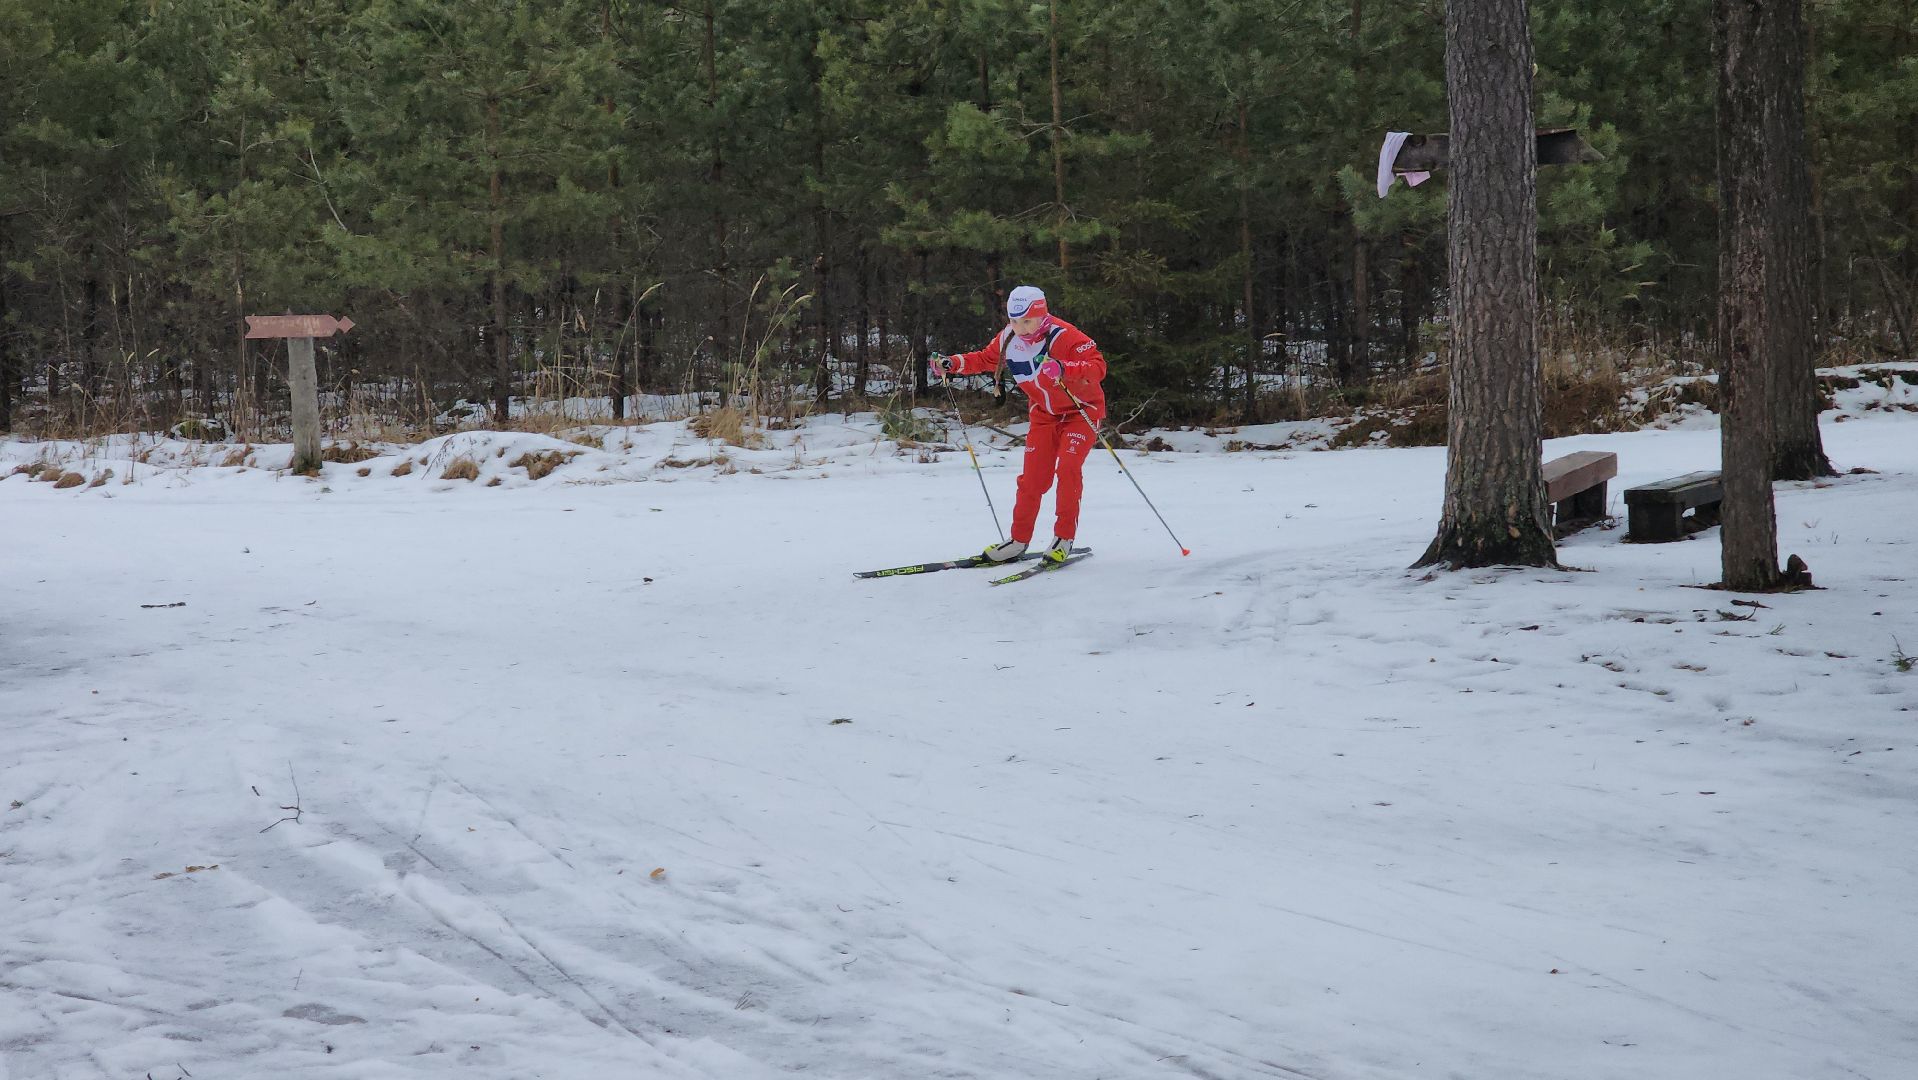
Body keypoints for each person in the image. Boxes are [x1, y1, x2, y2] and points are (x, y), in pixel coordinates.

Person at [930, 285, 1107, 566]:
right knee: (1032, 480)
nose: (1021, 328)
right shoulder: (1009, 338)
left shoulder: (1066, 335)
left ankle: (1063, 538)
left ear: (1042, 315)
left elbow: (1098, 367)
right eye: (1014, 321)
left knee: (1069, 467)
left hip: (1080, 412)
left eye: (1027, 321)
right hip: (1044, 415)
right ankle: (1018, 541)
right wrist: (953, 363)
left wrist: (1064, 369)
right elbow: (986, 359)